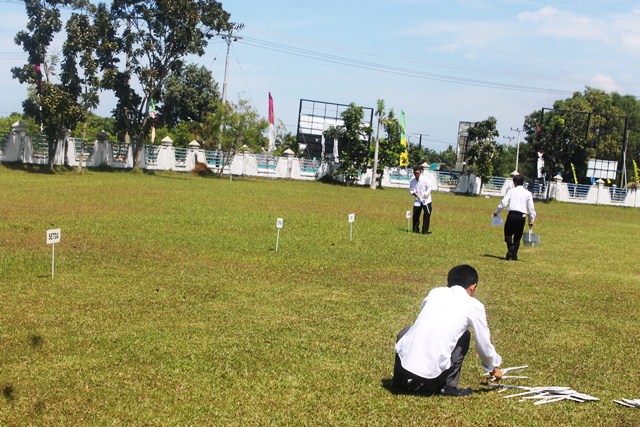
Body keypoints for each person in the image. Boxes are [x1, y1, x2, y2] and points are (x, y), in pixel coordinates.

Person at [393, 265, 503, 397]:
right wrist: (492, 368)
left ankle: (400, 381)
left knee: (408, 331)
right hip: (433, 377)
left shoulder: (435, 292)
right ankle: (448, 385)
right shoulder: (474, 306)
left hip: (404, 367)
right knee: (465, 335)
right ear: (473, 287)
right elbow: (483, 344)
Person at [493, 174, 536, 261]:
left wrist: (497, 211)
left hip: (512, 215)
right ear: (523, 182)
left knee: (508, 234)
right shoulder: (528, 193)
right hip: (522, 217)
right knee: (517, 237)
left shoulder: (511, 191)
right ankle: (514, 255)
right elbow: (531, 208)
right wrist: (532, 219)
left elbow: (503, 203)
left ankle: (511, 248)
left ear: (514, 182)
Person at [408, 166, 432, 234]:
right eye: (415, 173)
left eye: (418, 173)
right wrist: (413, 193)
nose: (416, 174)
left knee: (427, 214)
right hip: (418, 200)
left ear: (420, 172)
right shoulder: (412, 181)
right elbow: (411, 190)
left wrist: (426, 194)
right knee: (415, 215)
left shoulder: (426, 179)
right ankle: (415, 230)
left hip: (426, 200)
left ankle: (425, 230)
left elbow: (429, 187)